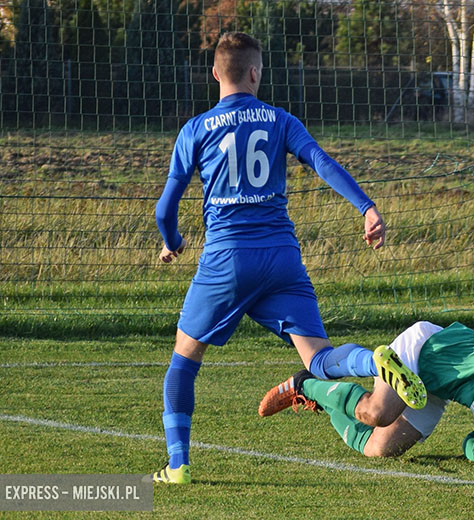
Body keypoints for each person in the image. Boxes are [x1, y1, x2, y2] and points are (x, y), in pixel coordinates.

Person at [150, 32, 426, 484]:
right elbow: (321, 161)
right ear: (256, 73)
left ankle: (178, 465)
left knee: (184, 360)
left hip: (227, 260)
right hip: (282, 258)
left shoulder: (195, 129)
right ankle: (375, 362)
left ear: (216, 73)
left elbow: (166, 207)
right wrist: (367, 207)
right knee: (319, 359)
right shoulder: (280, 119)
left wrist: (173, 239)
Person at [259, 321, 474, 473]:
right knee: (378, 412)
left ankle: (322, 398)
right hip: (423, 353)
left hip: (434, 387)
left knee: (378, 448)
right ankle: (305, 384)